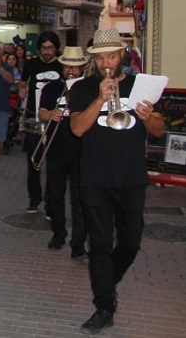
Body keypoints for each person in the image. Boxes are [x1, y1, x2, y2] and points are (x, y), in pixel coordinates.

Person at [69, 28, 165, 334]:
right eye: (100, 57)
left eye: (111, 55)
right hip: (95, 178)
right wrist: (99, 98)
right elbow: (78, 129)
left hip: (131, 178)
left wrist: (148, 116)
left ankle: (108, 283)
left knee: (131, 242)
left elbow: (160, 131)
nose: (105, 62)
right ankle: (104, 306)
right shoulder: (83, 87)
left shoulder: (141, 85)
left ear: (122, 55)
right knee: (98, 244)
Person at [38, 46, 88, 258]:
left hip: (82, 151)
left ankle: (78, 243)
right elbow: (41, 113)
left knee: (80, 199)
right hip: (57, 149)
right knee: (55, 196)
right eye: (68, 67)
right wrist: (51, 114)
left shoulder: (87, 89)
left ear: (83, 68)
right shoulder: (52, 88)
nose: (71, 71)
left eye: (75, 68)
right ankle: (58, 234)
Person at [20, 31, 63, 213]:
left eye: (51, 48)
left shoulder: (62, 66)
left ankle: (50, 203)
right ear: (39, 49)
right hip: (33, 115)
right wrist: (22, 90)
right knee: (33, 161)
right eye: (44, 48)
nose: (47, 51)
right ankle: (34, 199)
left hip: (56, 118)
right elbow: (23, 83)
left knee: (54, 163)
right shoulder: (30, 64)